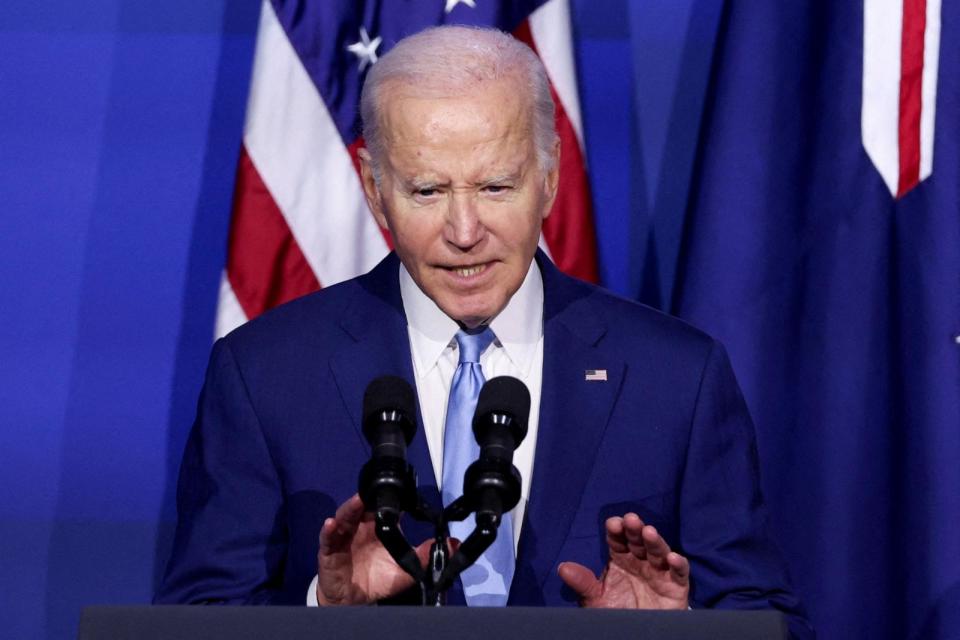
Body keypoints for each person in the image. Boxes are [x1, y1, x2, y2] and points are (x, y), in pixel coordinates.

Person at [157, 25, 812, 639]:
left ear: (550, 177)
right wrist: (326, 612)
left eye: (496, 186)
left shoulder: (676, 376)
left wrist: (680, 627)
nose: (464, 231)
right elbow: (197, 617)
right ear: (374, 186)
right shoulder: (265, 373)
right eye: (426, 192)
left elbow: (769, 618)